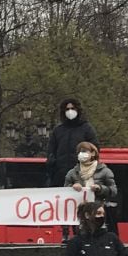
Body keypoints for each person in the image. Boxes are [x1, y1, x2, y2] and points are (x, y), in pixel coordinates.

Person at [47, 99, 99, 241]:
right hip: (61, 174)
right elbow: (51, 150)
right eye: (67, 109)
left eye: (72, 108)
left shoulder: (87, 129)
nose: (70, 111)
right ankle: (64, 232)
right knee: (64, 205)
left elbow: (95, 149)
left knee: (80, 205)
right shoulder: (58, 130)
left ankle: (80, 231)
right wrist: (52, 161)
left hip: (81, 174)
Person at [64, 142, 118, 231]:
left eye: (84, 151)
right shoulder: (72, 173)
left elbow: (114, 191)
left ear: (93, 153)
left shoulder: (105, 171)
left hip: (98, 213)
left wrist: (100, 188)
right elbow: (64, 192)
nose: (81, 154)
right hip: (80, 215)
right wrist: (72, 187)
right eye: (79, 152)